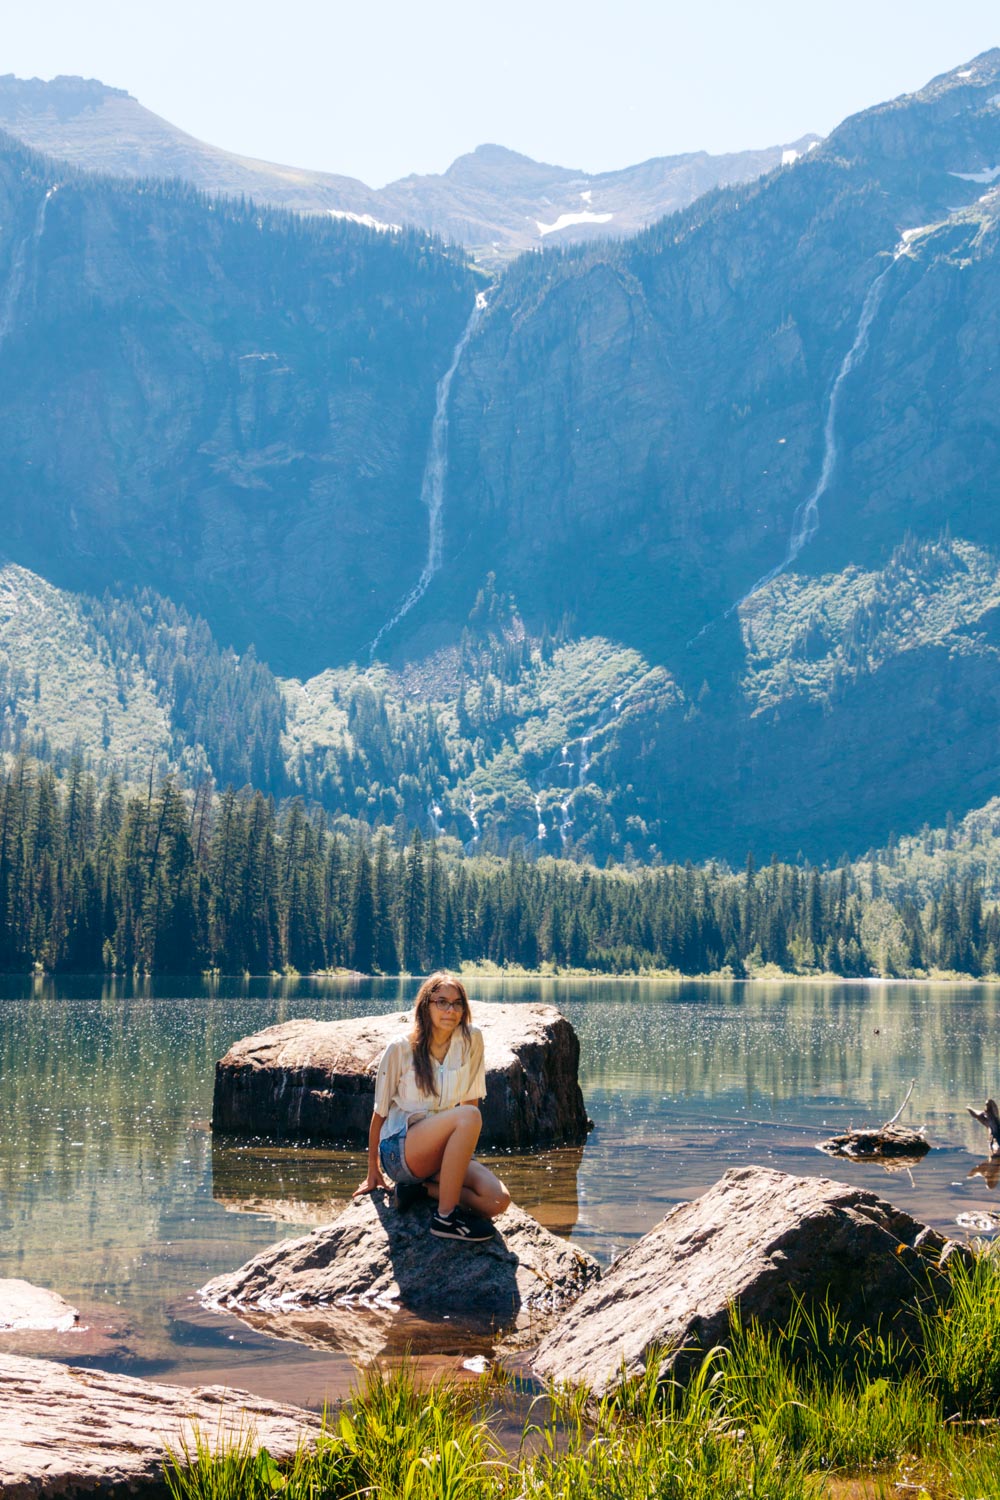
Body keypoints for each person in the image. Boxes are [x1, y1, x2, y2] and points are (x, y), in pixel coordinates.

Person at [353, 972, 511, 1242]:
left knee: (497, 1200)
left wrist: (459, 1161)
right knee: (469, 1116)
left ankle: (421, 1191)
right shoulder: (401, 1048)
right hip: (401, 1152)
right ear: (426, 1005)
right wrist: (373, 1172)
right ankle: (446, 1218)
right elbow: (379, 1113)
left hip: (440, 1152)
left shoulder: (471, 1040)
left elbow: (470, 1100)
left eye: (457, 1003)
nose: (450, 1010)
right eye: (442, 1002)